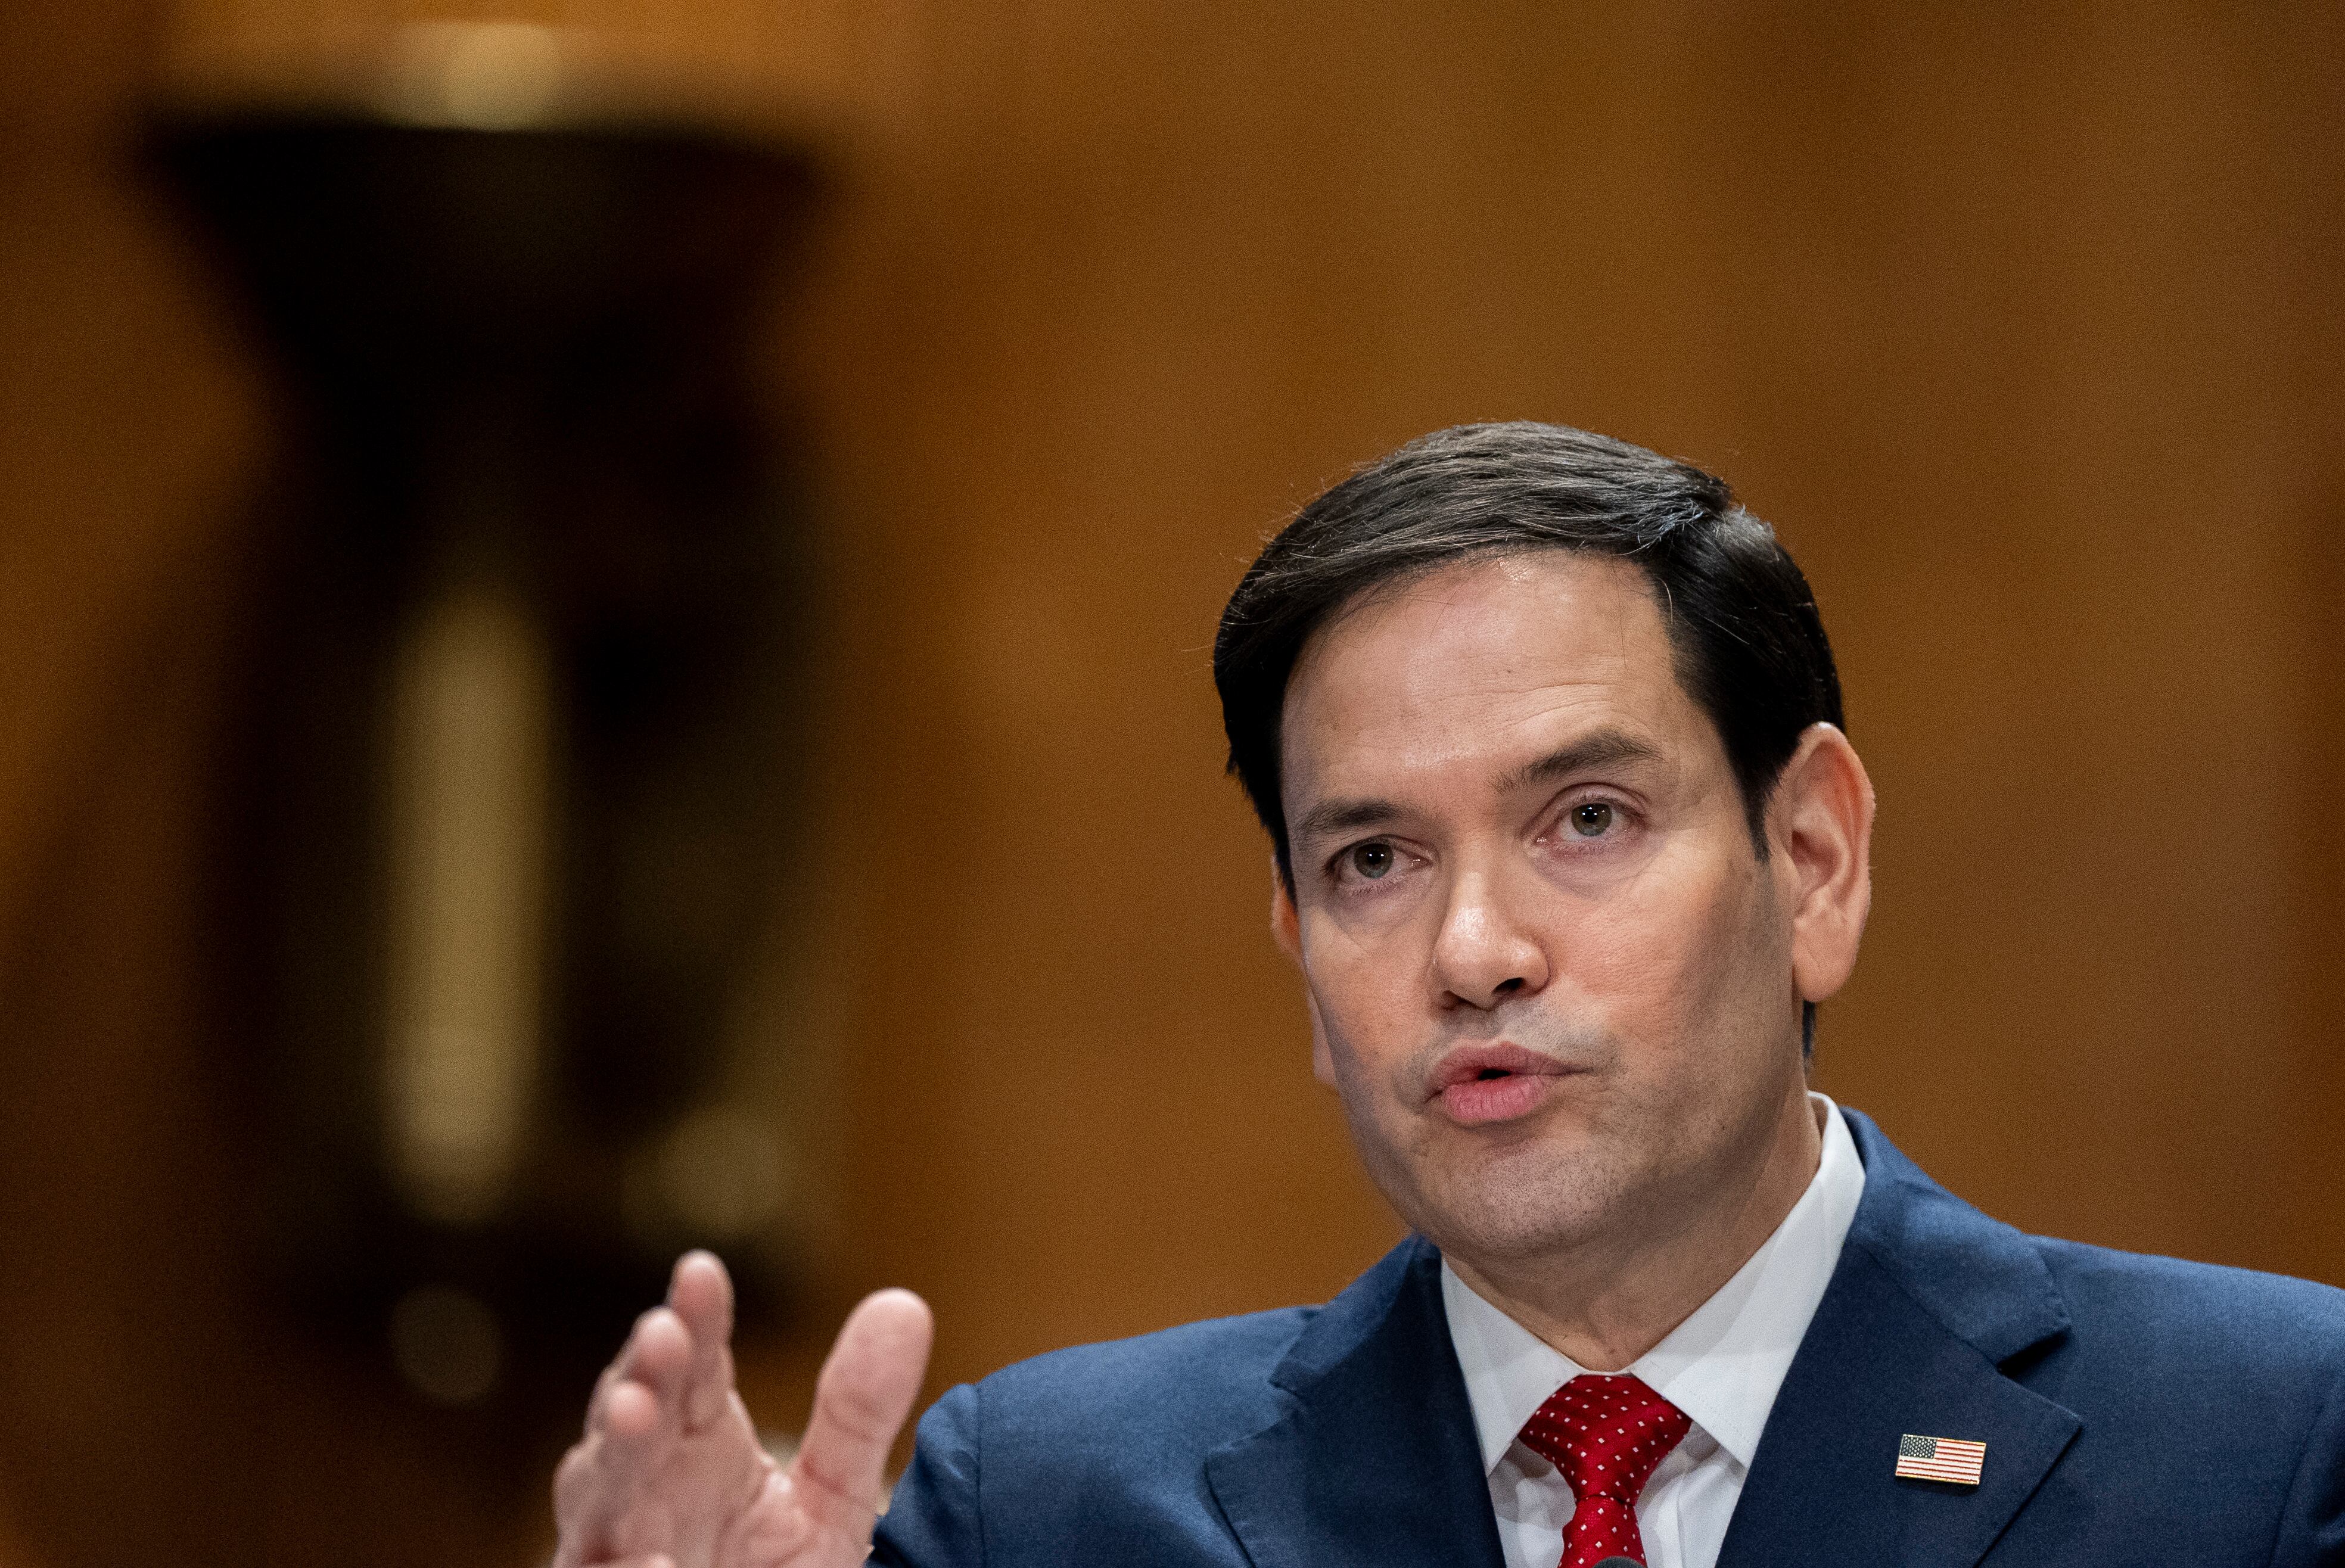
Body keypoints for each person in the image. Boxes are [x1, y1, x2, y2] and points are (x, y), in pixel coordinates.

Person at [549, 424, 2345, 1568]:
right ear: (1303, 962)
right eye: (1373, 862)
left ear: (1811, 858)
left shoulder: (2265, 1449)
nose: (1473, 950)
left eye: (1586, 819)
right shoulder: (1045, 1510)